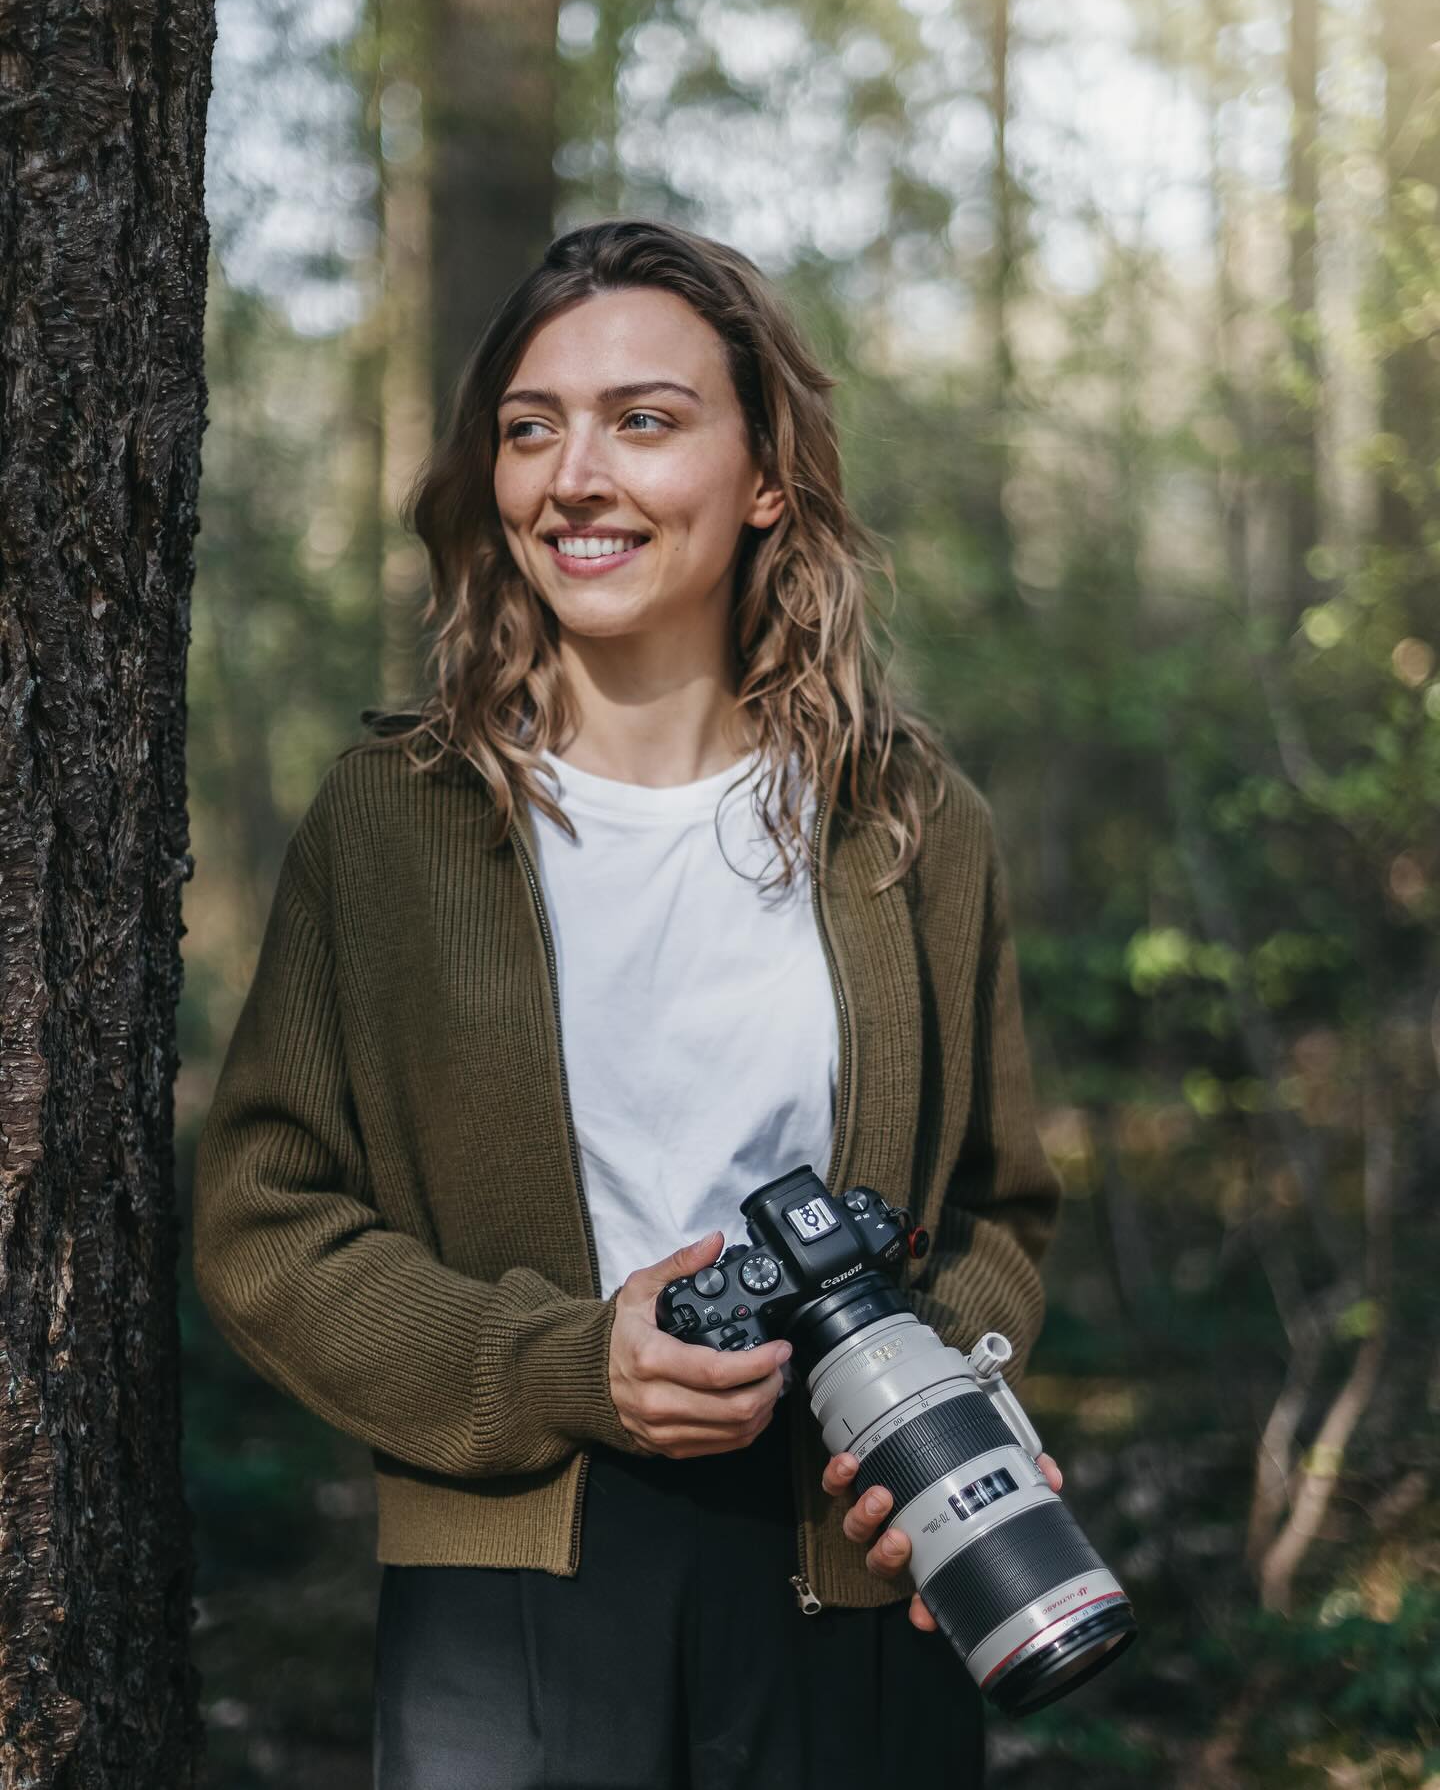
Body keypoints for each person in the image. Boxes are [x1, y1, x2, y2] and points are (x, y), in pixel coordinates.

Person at [190, 217, 1065, 1789]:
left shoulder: (908, 821)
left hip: (847, 1577)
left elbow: (997, 1207)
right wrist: (567, 1365)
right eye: (532, 430)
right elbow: (266, 1223)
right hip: (509, 1598)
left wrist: (944, 1405)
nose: (573, 477)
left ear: (768, 476)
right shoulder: (396, 820)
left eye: (643, 421)